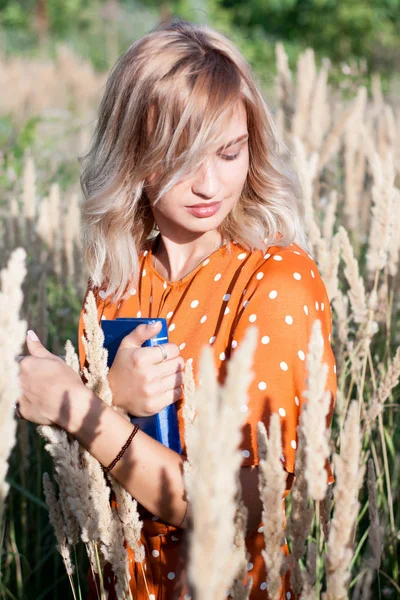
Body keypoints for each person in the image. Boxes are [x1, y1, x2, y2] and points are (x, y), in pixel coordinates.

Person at [17, 17, 337, 600]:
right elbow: (86, 480)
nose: (209, 183)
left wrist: (82, 406)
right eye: (180, 156)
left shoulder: (278, 281)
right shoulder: (114, 283)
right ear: (133, 158)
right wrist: (111, 396)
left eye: (229, 151)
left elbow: (232, 509)